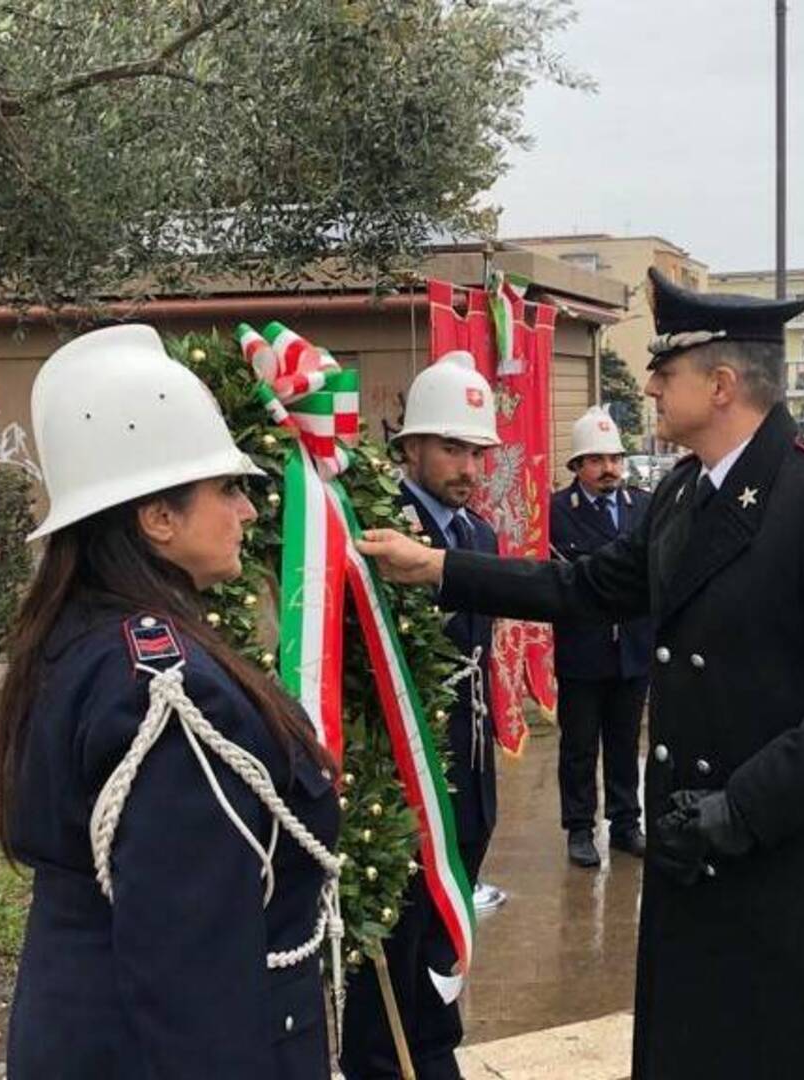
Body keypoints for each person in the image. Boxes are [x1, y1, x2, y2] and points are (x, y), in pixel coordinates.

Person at [358, 268, 804, 1079]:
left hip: (791, 859)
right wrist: (440, 567)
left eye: (668, 371)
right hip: (698, 855)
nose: (652, 386)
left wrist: (742, 808)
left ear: (723, 384)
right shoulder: (684, 496)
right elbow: (587, 586)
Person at [0, 325, 341, 1078]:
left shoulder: (86, 635)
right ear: (157, 518)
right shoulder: (160, 685)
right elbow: (192, 975)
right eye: (226, 489)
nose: (247, 512)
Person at [344, 351, 502, 1079]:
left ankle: (436, 1046)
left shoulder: (478, 537)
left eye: (478, 450)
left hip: (466, 757)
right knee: (398, 929)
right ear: (409, 445)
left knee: (448, 919)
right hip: (400, 771)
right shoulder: (376, 531)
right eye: (451, 447)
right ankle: (389, 1060)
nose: (468, 465)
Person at [550, 404, 655, 867]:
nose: (609, 468)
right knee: (578, 745)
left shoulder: (645, 506)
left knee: (626, 740)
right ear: (577, 466)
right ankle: (578, 827)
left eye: (615, 458)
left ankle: (626, 822)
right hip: (582, 648)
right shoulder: (556, 512)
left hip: (633, 648)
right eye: (597, 460)